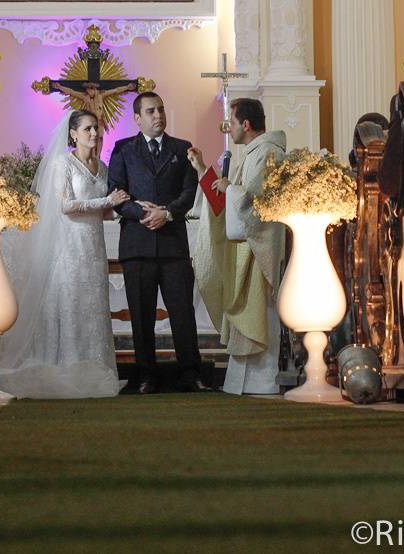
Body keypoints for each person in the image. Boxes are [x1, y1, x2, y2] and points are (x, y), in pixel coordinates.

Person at [0, 110, 130, 398]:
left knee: (92, 302)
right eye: (88, 129)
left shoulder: (102, 167)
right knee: (70, 302)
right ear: (73, 134)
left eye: (96, 128)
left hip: (94, 244)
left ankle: (95, 367)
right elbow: (66, 205)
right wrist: (108, 200)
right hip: (69, 245)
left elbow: (104, 207)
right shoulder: (62, 164)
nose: (94, 134)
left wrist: (120, 207)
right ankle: (67, 367)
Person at [107, 91, 207, 394]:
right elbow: (116, 194)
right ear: (137, 118)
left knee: (182, 313)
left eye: (161, 110)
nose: (158, 116)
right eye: (150, 111)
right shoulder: (123, 149)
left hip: (172, 244)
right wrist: (142, 213)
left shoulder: (182, 148)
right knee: (141, 314)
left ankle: (191, 374)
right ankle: (146, 375)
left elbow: (189, 191)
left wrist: (167, 212)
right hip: (137, 245)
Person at [187, 98, 286, 395]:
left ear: (246, 124)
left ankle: (262, 380)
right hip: (247, 248)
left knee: (260, 310)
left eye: (231, 120)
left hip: (259, 247)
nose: (227, 127)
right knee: (247, 308)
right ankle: (245, 381)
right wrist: (204, 170)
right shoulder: (253, 152)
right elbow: (232, 198)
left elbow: (256, 203)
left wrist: (230, 189)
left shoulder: (268, 152)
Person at [53, 82, 137, 157]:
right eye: (87, 90)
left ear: (95, 89)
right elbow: (71, 92)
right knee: (91, 140)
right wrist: (60, 87)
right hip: (90, 123)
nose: (89, 92)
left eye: (91, 89)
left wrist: (127, 87)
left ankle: (97, 157)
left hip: (100, 122)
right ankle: (92, 157)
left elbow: (115, 90)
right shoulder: (85, 97)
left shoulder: (101, 96)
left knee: (99, 139)